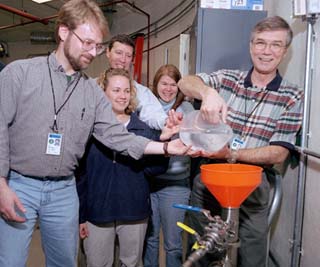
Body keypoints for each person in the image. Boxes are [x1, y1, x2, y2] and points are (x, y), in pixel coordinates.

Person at [0, 1, 191, 266]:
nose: (93, 52)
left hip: (64, 189)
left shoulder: (91, 92)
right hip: (20, 184)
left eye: (97, 46)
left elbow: (118, 137)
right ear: (64, 32)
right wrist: (0, 183)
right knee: (9, 261)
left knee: (65, 261)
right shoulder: (19, 74)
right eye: (87, 42)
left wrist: (167, 147)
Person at [178, 16, 303, 267]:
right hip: (210, 180)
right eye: (260, 43)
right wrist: (208, 92)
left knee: (252, 257)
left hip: (253, 185)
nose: (266, 51)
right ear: (250, 46)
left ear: (285, 51)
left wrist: (228, 154)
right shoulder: (228, 79)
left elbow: (278, 154)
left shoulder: (291, 96)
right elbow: (185, 82)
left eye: (275, 45)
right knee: (201, 249)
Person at [77, 68, 170, 267]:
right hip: (97, 213)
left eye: (127, 91)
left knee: (132, 263)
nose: (122, 96)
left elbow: (155, 170)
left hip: (134, 212)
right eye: (116, 90)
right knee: (97, 263)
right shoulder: (89, 129)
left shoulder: (143, 129)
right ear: (103, 92)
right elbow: (81, 175)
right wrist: (80, 216)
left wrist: (164, 146)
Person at [144, 64, 194, 267]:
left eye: (173, 84)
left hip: (175, 185)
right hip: (148, 183)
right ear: (155, 85)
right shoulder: (146, 107)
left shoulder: (187, 109)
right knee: (150, 239)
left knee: (173, 244)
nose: (168, 89)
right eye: (164, 83)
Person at [105, 34, 167, 130]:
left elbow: (154, 114)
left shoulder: (141, 92)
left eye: (128, 55)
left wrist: (167, 122)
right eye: (118, 53)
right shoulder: (92, 86)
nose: (123, 59)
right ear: (108, 52)